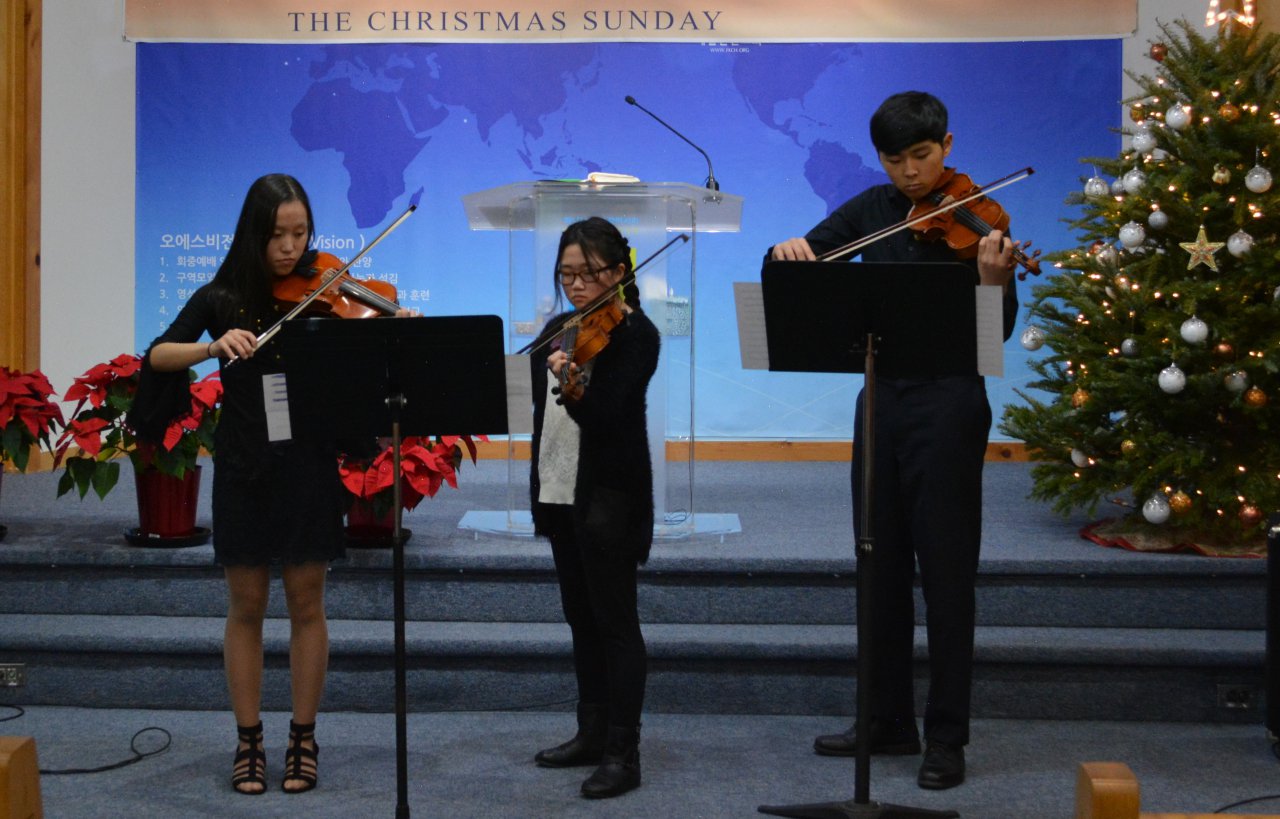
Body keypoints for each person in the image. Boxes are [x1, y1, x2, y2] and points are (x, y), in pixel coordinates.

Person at [766, 91, 1020, 790]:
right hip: (879, 400)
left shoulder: (981, 218)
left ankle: (946, 735)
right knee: (875, 563)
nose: (910, 172)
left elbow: (993, 339)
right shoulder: (870, 209)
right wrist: (786, 254)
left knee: (946, 571)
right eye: (894, 159)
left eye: (922, 155)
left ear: (947, 145)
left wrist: (992, 283)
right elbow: (797, 263)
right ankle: (886, 719)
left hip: (950, 402)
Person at [148, 173, 409, 795]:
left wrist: (396, 328)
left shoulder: (322, 291)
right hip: (244, 466)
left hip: (307, 465)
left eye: (300, 234)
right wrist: (211, 350)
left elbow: (365, 367)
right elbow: (157, 354)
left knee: (306, 604)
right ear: (253, 235)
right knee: (246, 608)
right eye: (278, 236)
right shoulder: (220, 298)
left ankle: (303, 738)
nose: (292, 248)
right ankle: (248, 740)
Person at [527, 216, 660, 799]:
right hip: (560, 491)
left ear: (619, 271)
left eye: (588, 273)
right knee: (580, 618)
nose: (577, 285)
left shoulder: (636, 335)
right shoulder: (560, 330)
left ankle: (623, 752)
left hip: (609, 497)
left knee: (615, 624)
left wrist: (574, 383)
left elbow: (604, 415)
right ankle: (592, 731)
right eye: (567, 274)